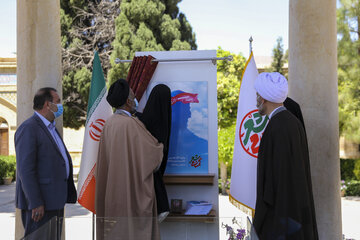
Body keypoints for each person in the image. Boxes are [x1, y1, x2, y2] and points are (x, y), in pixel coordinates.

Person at [95, 79, 164, 240]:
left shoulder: (109, 124)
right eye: (133, 96)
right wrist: (161, 144)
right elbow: (153, 157)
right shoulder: (132, 124)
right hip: (131, 194)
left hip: (113, 192)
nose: (135, 100)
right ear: (127, 101)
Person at [253, 72, 318, 239]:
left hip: (282, 218)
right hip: (295, 213)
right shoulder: (292, 122)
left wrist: (261, 220)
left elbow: (272, 183)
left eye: (257, 95)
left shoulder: (276, 128)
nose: (256, 100)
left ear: (264, 98)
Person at [15, 87, 77, 238]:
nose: (60, 106)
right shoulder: (29, 128)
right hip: (40, 205)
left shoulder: (50, 128)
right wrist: (36, 202)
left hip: (54, 201)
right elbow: (26, 170)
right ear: (48, 105)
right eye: (58, 102)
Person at [137, 84, 172, 222]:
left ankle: (160, 208)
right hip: (159, 160)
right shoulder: (165, 116)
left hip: (145, 163)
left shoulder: (142, 119)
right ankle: (162, 207)